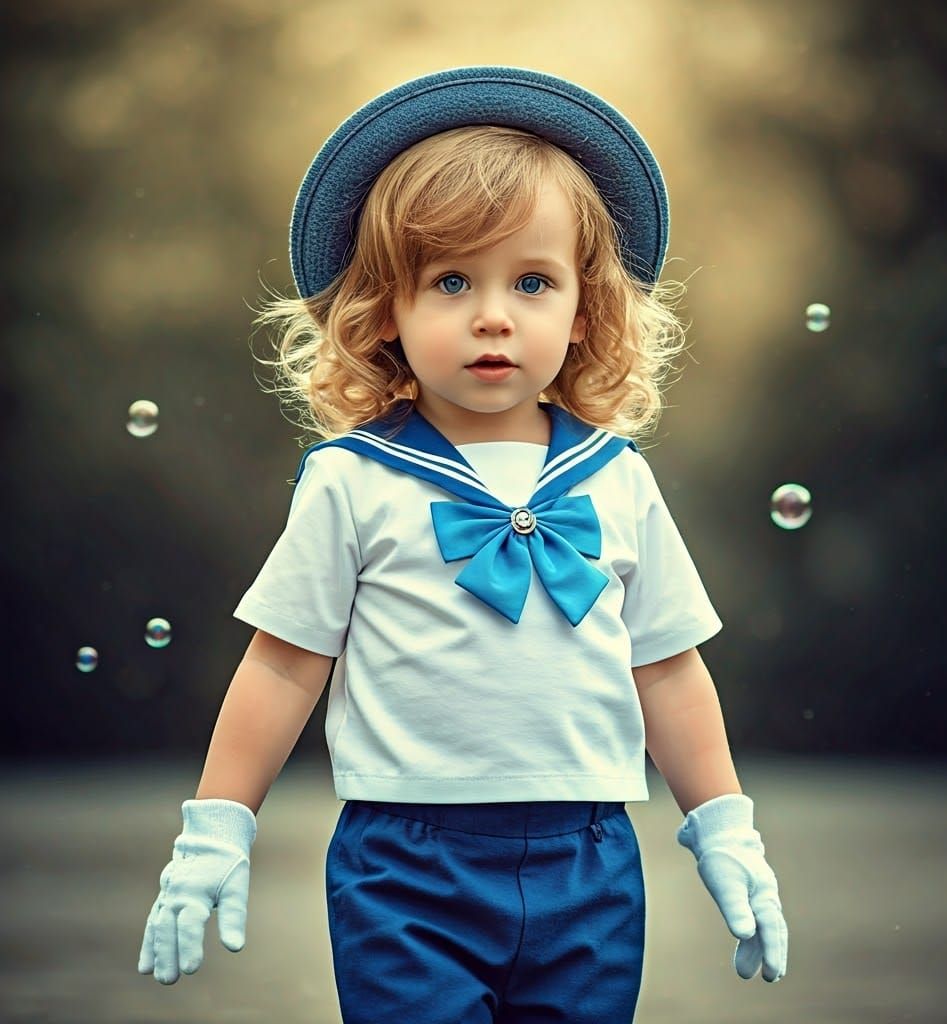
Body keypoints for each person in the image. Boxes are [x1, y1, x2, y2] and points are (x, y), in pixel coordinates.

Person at [137, 66, 788, 1022]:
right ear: (385, 309)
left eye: (532, 281)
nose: (494, 313)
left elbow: (667, 669)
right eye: (450, 281)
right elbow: (282, 666)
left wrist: (726, 827)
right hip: (407, 863)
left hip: (590, 859)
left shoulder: (616, 477)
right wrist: (215, 830)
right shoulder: (353, 479)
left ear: (585, 307)